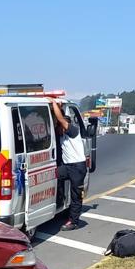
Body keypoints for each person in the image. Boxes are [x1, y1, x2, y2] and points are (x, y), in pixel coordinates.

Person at [50, 99, 87, 231]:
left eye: (60, 127)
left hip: (78, 167)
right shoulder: (61, 135)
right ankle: (60, 201)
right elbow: (57, 119)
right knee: (53, 176)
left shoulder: (73, 132)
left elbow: (60, 120)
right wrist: (58, 108)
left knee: (76, 195)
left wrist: (54, 103)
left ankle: (74, 221)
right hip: (67, 167)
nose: (58, 130)